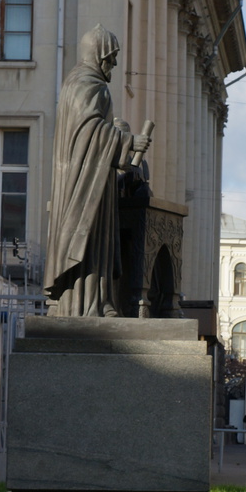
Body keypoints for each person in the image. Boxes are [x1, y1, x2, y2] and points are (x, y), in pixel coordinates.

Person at [44, 24, 152, 316]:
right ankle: (83, 306)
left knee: (98, 240)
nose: (114, 64)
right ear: (99, 54)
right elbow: (89, 130)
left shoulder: (78, 83)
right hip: (83, 181)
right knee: (88, 238)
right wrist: (130, 141)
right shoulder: (87, 85)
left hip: (94, 176)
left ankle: (99, 301)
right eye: (111, 57)